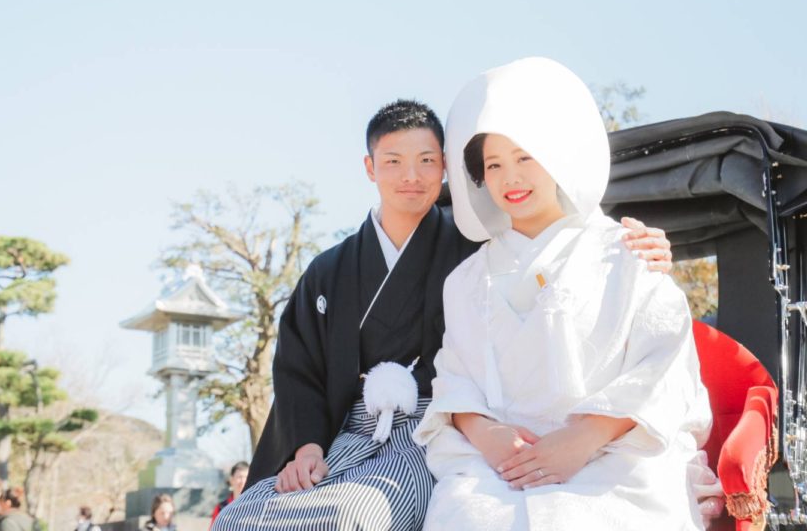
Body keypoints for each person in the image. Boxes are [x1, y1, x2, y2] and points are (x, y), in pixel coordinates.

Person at [215, 99, 674, 531]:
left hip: (430, 428)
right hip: (341, 428)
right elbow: (298, 368)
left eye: (427, 161)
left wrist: (640, 249)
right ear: (370, 167)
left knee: (354, 517)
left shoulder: (479, 254)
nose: (411, 176)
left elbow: (556, 263)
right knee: (237, 518)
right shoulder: (328, 270)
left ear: (446, 168)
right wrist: (306, 446)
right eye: (393, 161)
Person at [413, 57, 712, 530]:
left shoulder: (627, 251)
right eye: (494, 164)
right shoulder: (466, 280)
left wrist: (585, 437)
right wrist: (490, 436)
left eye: (525, 157)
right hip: (499, 467)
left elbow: (665, 365)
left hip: (614, 458)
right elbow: (455, 379)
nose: (511, 177)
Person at [210, 462, 248, 527]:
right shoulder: (221, 508)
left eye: (246, 477)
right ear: (231, 480)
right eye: (239, 477)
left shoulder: (256, 505)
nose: (243, 481)